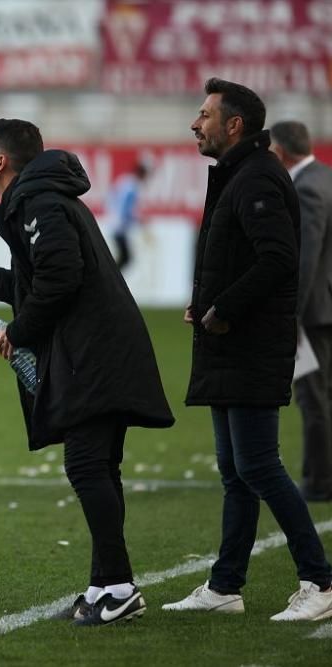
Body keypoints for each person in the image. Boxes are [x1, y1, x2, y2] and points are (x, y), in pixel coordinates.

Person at [0, 119, 174, 627]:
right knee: (99, 466)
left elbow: (61, 278)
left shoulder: (39, 202)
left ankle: (121, 587)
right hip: (101, 348)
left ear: (2, 161)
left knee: (87, 467)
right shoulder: (42, 197)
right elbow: (42, 278)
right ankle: (105, 584)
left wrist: (18, 332)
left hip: (95, 353)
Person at [163, 79, 332, 621]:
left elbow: (278, 258)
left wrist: (224, 308)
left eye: (204, 115)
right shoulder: (240, 175)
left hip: (249, 344)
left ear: (234, 125)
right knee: (237, 471)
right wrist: (206, 303)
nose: (195, 123)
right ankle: (225, 587)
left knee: (258, 466)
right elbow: (239, 257)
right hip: (228, 345)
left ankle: (321, 581)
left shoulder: (258, 177)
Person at [270, 120, 332, 503]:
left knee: (312, 397)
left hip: (312, 311)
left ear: (280, 151)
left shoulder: (306, 188)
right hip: (326, 305)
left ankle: (320, 480)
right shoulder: (325, 177)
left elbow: (306, 259)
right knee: (325, 394)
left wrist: (290, 315)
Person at [105, 161, 149, 271]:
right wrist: (138, 219)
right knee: (126, 257)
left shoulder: (124, 181)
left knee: (124, 257)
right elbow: (126, 208)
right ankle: (111, 281)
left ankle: (112, 280)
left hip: (115, 224)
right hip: (119, 226)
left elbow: (111, 198)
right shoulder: (132, 186)